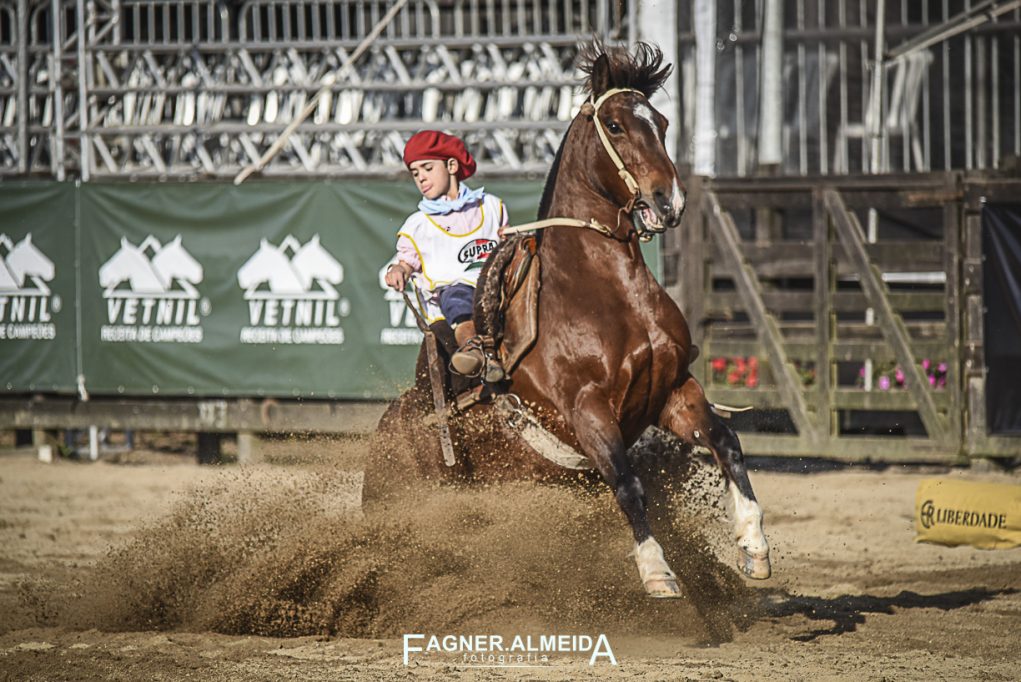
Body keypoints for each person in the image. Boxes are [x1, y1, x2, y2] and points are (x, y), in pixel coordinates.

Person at [384, 130, 507, 383]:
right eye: (415, 173)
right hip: (448, 308)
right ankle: (475, 352)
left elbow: (506, 248)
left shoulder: (491, 207)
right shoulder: (418, 225)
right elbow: (406, 261)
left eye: (427, 168)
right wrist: (399, 271)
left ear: (451, 165)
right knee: (457, 295)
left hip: (496, 292)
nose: (421, 178)